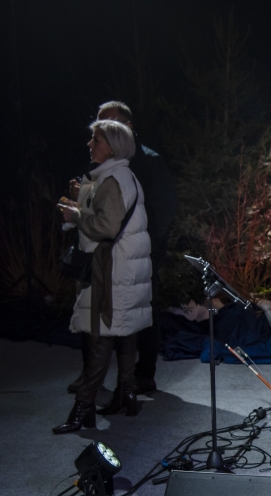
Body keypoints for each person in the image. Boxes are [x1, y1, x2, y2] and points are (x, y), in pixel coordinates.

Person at [66, 101, 175, 395]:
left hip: (128, 254)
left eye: (106, 128)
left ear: (125, 128)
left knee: (132, 317)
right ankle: (111, 385)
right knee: (105, 318)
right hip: (105, 253)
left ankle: (137, 378)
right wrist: (82, 197)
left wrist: (145, 248)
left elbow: (157, 209)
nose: (94, 139)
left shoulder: (142, 164)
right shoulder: (102, 164)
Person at [54, 120, 153, 433]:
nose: (90, 144)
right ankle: (126, 395)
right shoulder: (126, 176)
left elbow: (106, 227)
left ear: (111, 147)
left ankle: (83, 408)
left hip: (109, 270)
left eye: (95, 140)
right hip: (125, 267)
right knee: (124, 331)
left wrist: (76, 216)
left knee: (99, 336)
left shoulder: (111, 180)